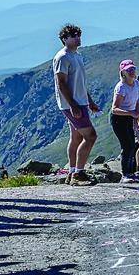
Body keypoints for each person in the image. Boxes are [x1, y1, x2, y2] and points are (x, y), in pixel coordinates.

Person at [52, 24, 100, 186]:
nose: (77, 38)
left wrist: (90, 101)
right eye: (73, 35)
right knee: (91, 136)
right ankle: (79, 173)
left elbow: (79, 83)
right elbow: (61, 83)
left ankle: (72, 171)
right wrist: (73, 105)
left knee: (77, 137)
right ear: (64, 39)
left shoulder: (76, 56)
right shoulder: (63, 57)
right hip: (72, 104)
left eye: (78, 34)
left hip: (80, 102)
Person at [111, 59, 139, 183]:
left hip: (130, 117)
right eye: (128, 70)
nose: (131, 72)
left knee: (133, 145)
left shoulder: (136, 84)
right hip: (119, 119)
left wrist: (138, 117)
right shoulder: (121, 87)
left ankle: (132, 172)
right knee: (127, 146)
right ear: (123, 72)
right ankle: (125, 174)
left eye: (133, 69)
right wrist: (131, 113)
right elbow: (114, 109)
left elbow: (136, 101)